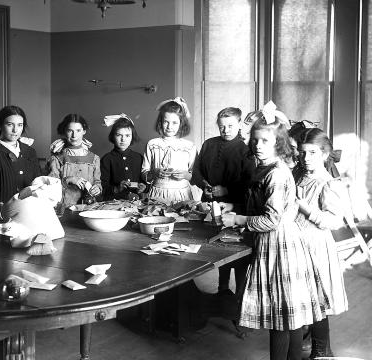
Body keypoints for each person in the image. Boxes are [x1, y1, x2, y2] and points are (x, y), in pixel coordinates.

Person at [220, 102, 329, 360]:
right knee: (286, 316)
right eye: (255, 140)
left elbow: (271, 220)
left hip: (281, 246)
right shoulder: (263, 168)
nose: (258, 145)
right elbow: (260, 205)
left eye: (265, 141)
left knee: (280, 318)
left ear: (278, 143)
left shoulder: (277, 175)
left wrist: (238, 219)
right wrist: (234, 206)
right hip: (276, 244)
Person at [294, 128, 348, 358]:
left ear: (325, 154)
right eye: (303, 153)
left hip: (315, 247)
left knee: (317, 301)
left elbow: (334, 221)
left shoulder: (329, 183)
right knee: (299, 298)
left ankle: (322, 350)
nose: (306, 159)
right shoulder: (298, 176)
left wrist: (306, 209)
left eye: (313, 153)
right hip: (295, 245)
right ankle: (299, 345)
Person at [191, 107, 256, 296]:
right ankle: (222, 288)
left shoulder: (246, 150)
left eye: (230, 126)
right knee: (216, 248)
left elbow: (250, 183)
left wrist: (226, 190)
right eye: (221, 126)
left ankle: (240, 298)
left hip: (236, 207)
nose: (225, 130)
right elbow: (197, 171)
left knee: (236, 252)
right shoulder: (209, 144)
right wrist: (204, 185)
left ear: (239, 124)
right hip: (210, 203)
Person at [0, 105, 41, 216]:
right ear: (0, 126)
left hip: (29, 211)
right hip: (4, 212)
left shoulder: (30, 151)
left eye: (20, 125)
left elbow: (37, 182)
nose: (15, 130)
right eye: (9, 124)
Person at [141, 97, 197, 204]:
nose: (169, 126)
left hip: (181, 194)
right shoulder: (152, 144)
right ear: (160, 122)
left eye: (174, 123)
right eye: (166, 122)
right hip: (157, 193)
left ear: (181, 123)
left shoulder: (189, 146)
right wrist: (155, 172)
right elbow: (144, 173)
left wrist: (185, 175)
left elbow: (195, 176)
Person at [47, 114, 102, 208]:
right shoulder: (56, 158)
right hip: (64, 208)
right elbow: (50, 185)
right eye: (70, 131)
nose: (74, 135)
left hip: (89, 208)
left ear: (84, 131)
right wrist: (69, 179)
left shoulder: (95, 158)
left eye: (78, 130)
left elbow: (97, 182)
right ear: (65, 132)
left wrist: (97, 188)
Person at [100, 114, 146, 200]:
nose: (123, 139)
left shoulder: (139, 158)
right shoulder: (107, 159)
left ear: (132, 137)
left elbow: (145, 182)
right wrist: (117, 188)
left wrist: (144, 187)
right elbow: (102, 188)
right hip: (114, 204)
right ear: (113, 136)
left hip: (137, 204)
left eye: (127, 135)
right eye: (119, 135)